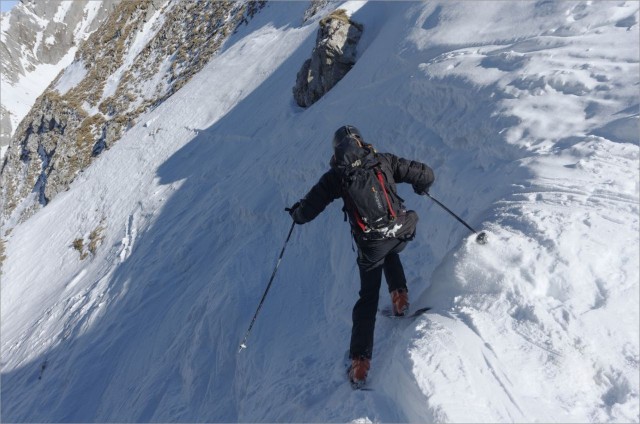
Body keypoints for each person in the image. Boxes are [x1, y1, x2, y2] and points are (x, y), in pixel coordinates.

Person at [287, 125, 435, 387]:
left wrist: (296, 214)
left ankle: (360, 364)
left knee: (367, 297)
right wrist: (422, 186)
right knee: (389, 249)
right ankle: (400, 298)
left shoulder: (337, 176)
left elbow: (308, 209)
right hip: (402, 230)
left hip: (371, 245)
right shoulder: (382, 160)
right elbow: (423, 172)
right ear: (360, 141)